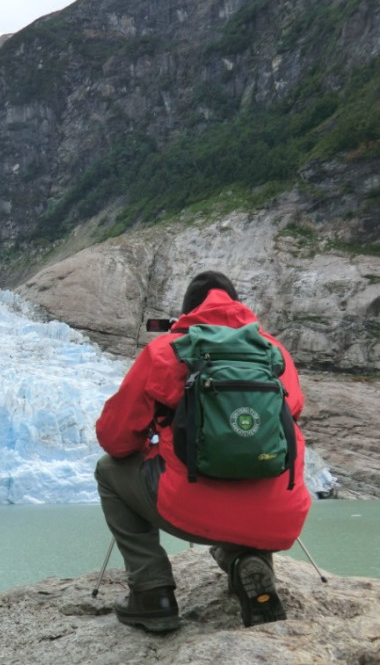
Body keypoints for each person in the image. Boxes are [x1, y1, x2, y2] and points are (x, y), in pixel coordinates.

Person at [94, 271, 312, 632]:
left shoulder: (166, 350)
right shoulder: (275, 352)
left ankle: (152, 593)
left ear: (186, 313)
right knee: (256, 464)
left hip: (188, 506)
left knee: (108, 470)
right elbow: (290, 418)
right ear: (238, 305)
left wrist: (159, 434)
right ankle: (248, 562)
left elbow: (115, 440)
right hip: (277, 514)